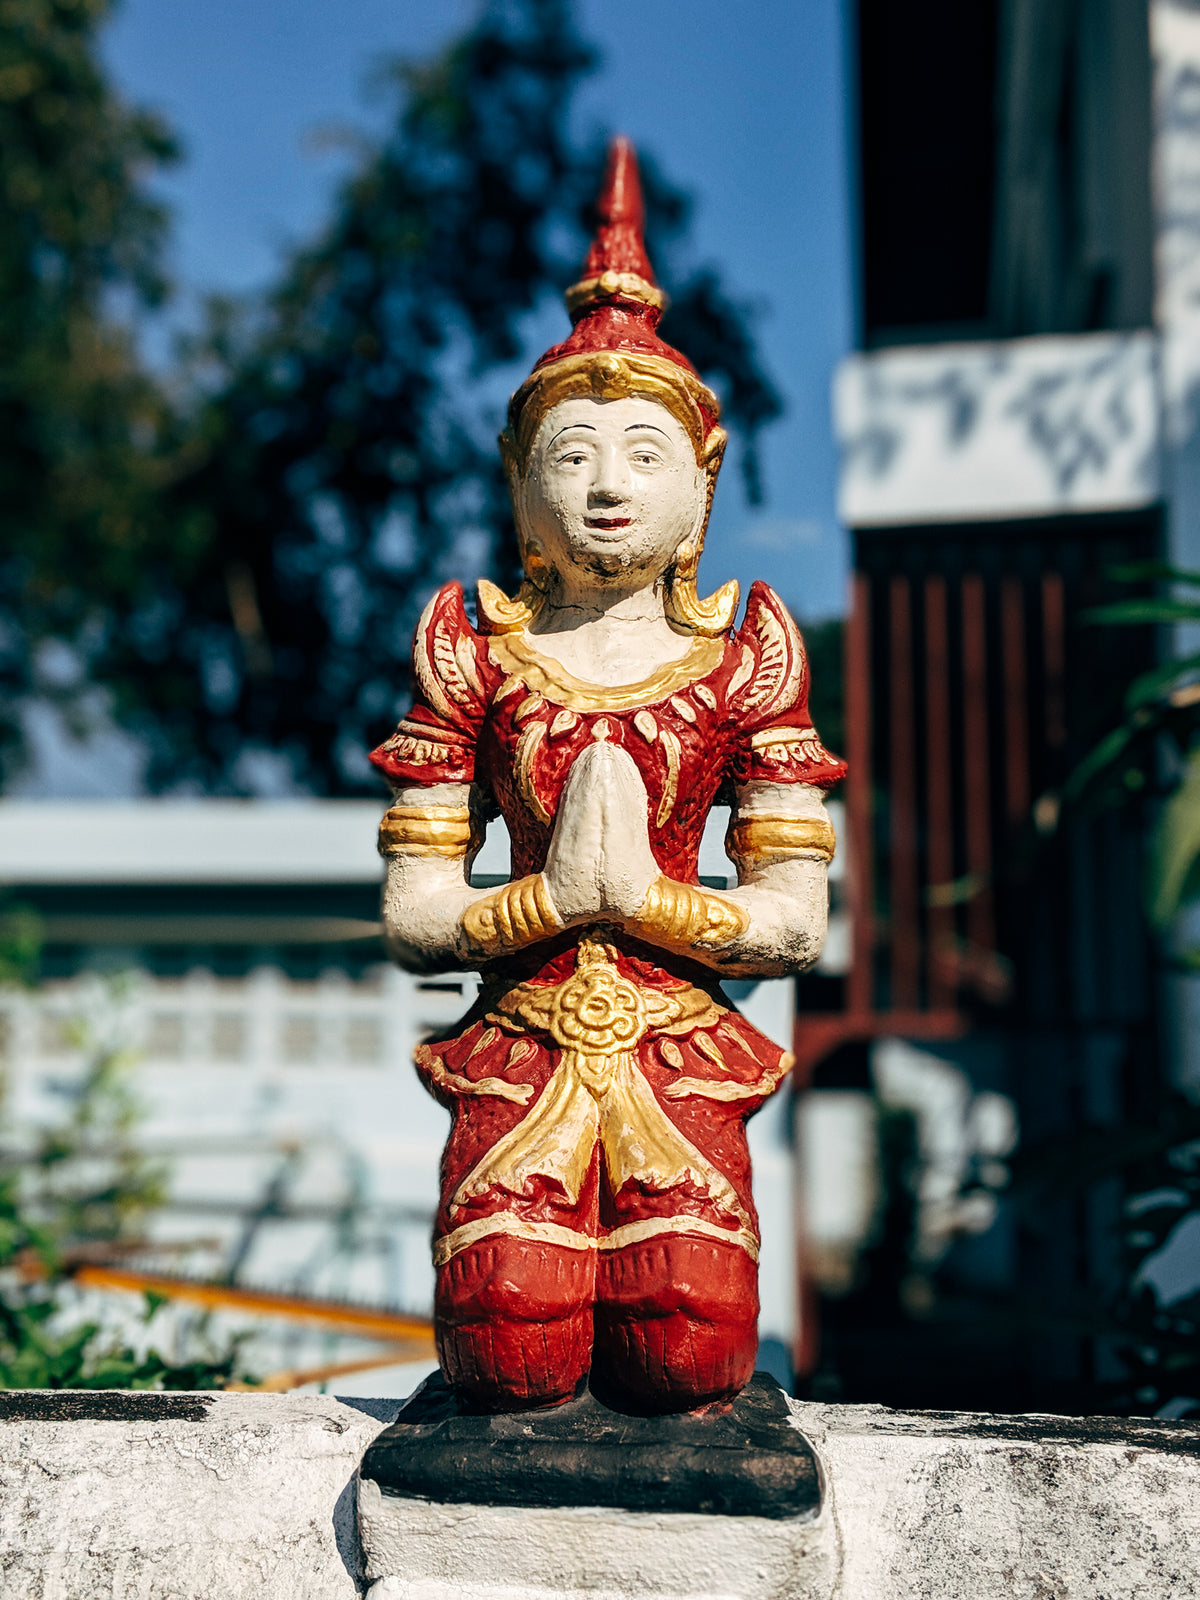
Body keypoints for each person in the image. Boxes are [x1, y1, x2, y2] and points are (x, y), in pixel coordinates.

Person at [371, 138, 844, 1413]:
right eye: (571, 456)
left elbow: (797, 922)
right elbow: (417, 915)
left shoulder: (744, 657)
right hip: (517, 1047)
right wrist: (549, 902)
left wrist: (637, 898)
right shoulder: (473, 648)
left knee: (688, 1347)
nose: (608, 487)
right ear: (523, 494)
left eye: (644, 453)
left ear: (702, 490)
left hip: (680, 1047)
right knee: (506, 1340)